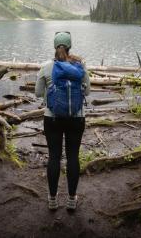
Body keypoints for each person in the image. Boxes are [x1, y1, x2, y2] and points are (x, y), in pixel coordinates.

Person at [35, 31, 90, 211]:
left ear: (54, 46)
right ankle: (72, 200)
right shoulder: (80, 65)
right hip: (76, 117)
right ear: (69, 46)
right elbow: (87, 91)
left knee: (54, 157)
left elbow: (37, 93)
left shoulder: (45, 66)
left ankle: (52, 200)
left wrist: (50, 97)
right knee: (73, 156)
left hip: (52, 118)